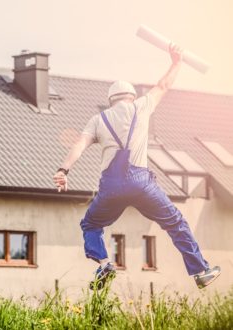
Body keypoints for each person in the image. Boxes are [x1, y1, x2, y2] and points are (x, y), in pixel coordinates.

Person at [53, 44, 220, 289]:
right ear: (131, 96)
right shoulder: (141, 107)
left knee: (91, 224)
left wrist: (63, 170)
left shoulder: (98, 120)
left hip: (110, 187)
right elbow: (163, 85)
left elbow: (79, 145)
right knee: (175, 223)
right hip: (142, 184)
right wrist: (176, 62)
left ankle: (104, 263)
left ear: (110, 101)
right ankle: (201, 271)